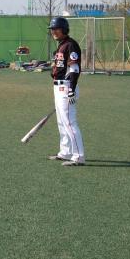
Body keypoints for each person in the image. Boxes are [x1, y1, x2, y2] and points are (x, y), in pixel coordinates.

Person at [47, 16, 85, 166]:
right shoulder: (61, 45)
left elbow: (74, 68)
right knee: (61, 123)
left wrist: (71, 89)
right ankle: (66, 152)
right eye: (52, 29)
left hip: (67, 87)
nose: (53, 32)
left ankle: (78, 156)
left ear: (64, 29)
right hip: (58, 87)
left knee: (69, 122)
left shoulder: (71, 45)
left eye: (56, 29)